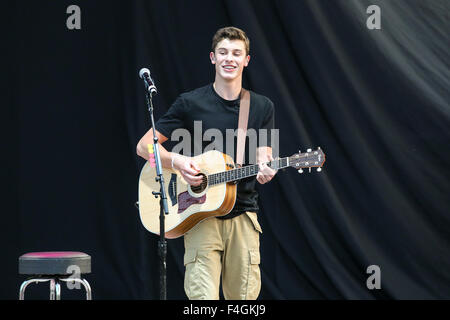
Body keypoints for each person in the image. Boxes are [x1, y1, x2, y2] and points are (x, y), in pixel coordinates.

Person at [136, 26, 276, 300]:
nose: (230, 59)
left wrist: (266, 170)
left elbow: (264, 157)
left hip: (243, 217)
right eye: (223, 52)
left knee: (243, 301)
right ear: (213, 57)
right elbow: (144, 146)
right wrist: (178, 162)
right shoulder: (191, 103)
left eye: (237, 53)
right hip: (200, 216)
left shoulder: (261, 107)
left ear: (247, 59)